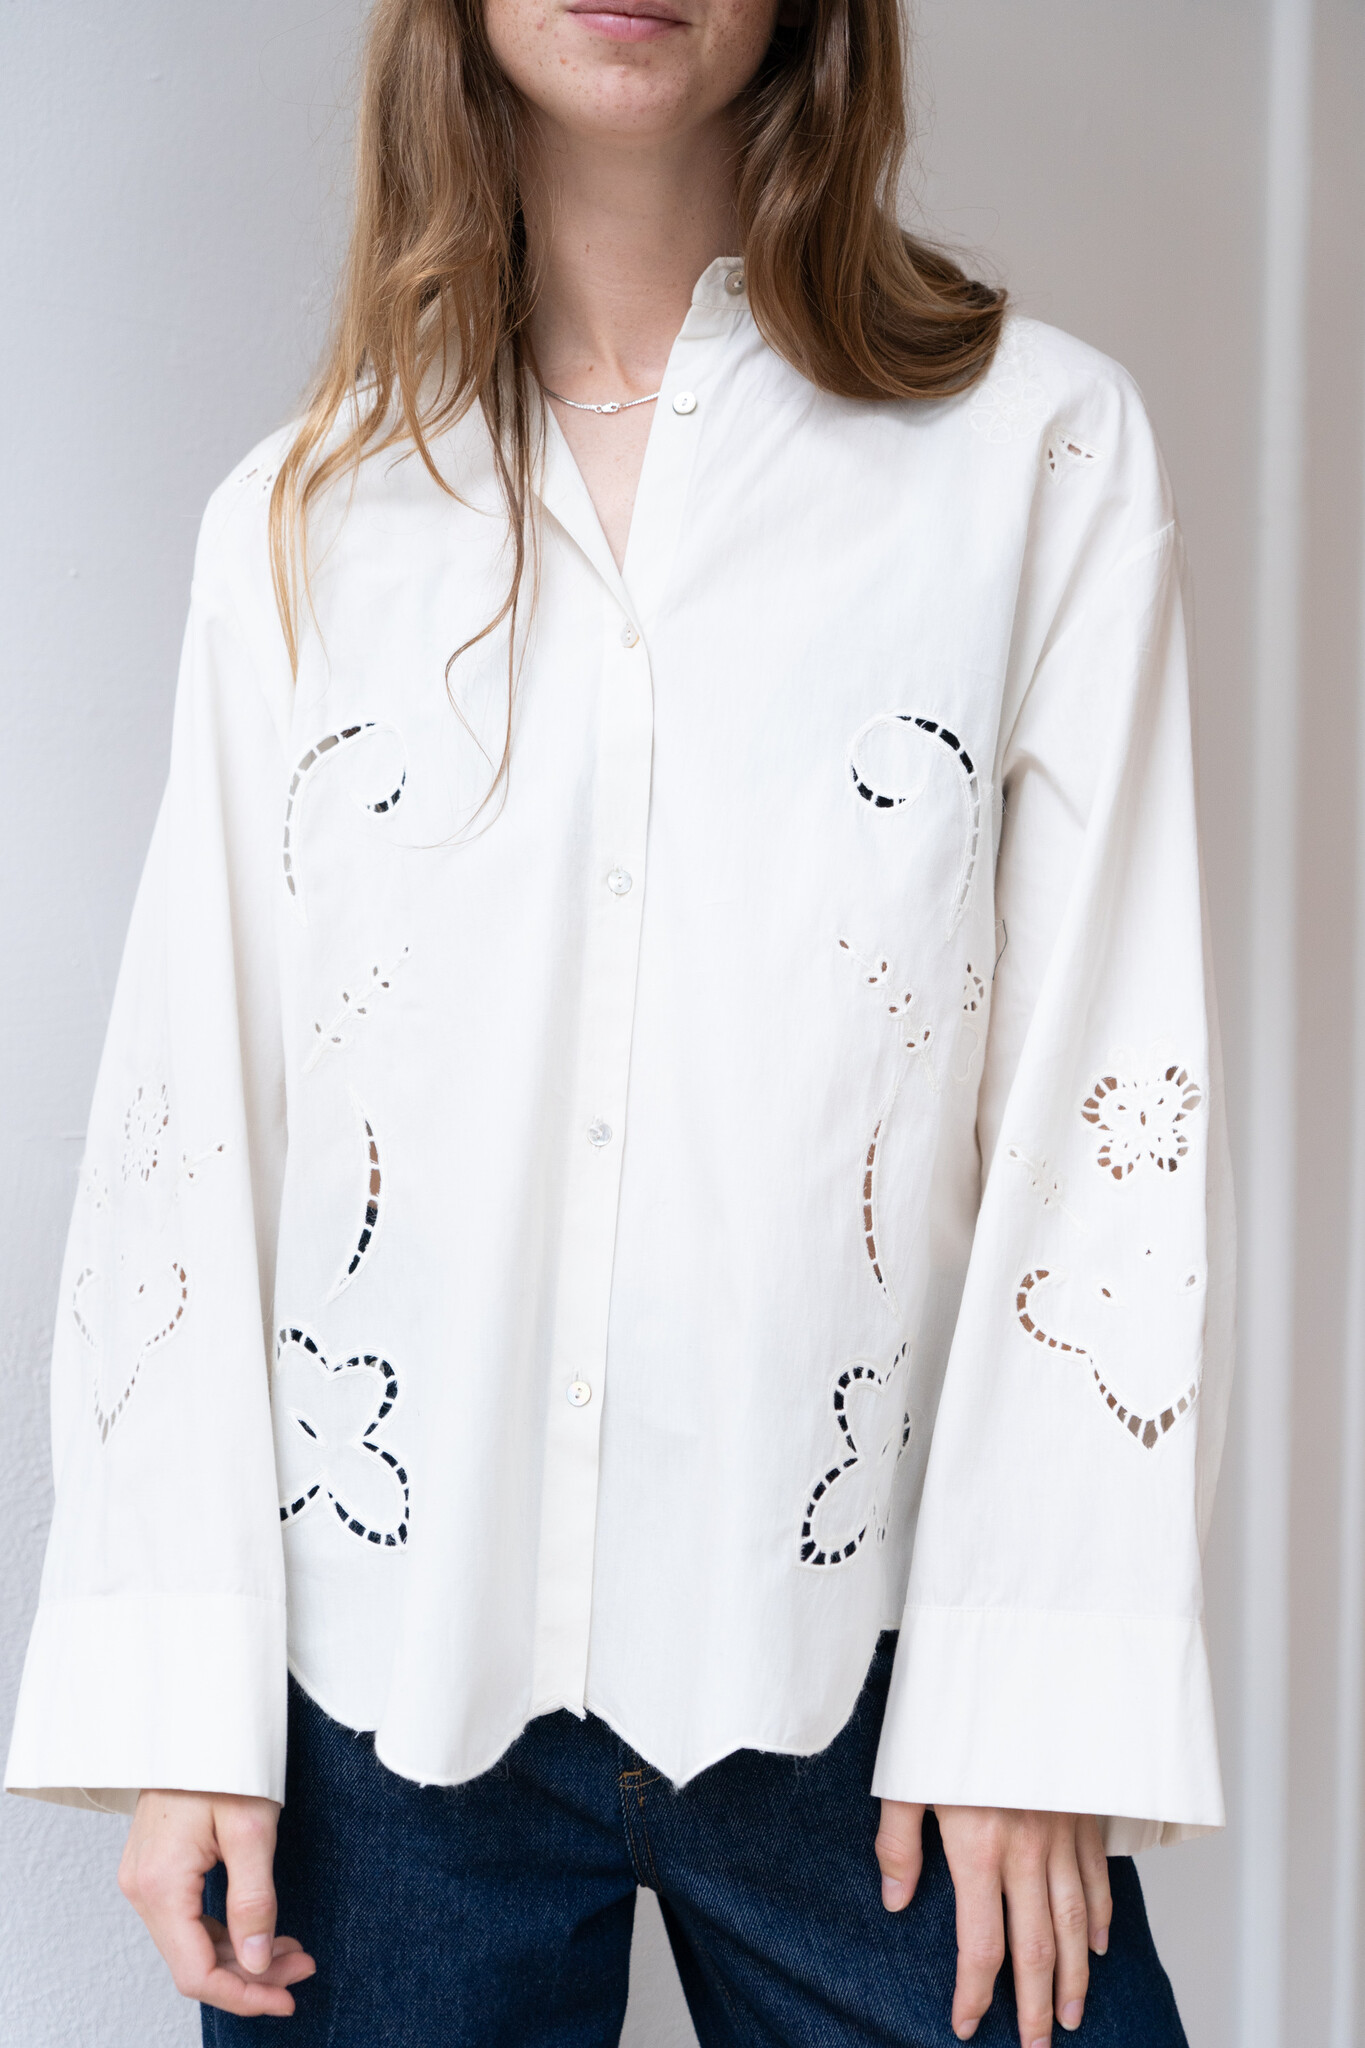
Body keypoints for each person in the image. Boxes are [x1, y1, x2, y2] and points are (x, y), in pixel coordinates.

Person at [5, 0, 1232, 2041]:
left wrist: (1038, 1685)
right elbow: (194, 1113)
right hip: (386, 1698)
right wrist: (179, 1697)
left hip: (883, 1686)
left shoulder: (1037, 453)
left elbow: (1110, 1095)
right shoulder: (307, 510)